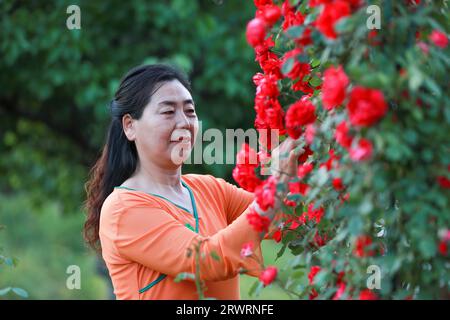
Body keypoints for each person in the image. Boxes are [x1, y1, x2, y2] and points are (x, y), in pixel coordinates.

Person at [83, 64, 301, 300]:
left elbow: (284, 219)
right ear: (130, 126)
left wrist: (306, 148)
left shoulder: (208, 189)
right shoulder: (123, 208)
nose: (184, 122)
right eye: (168, 112)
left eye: (190, 111)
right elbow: (205, 261)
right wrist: (277, 185)